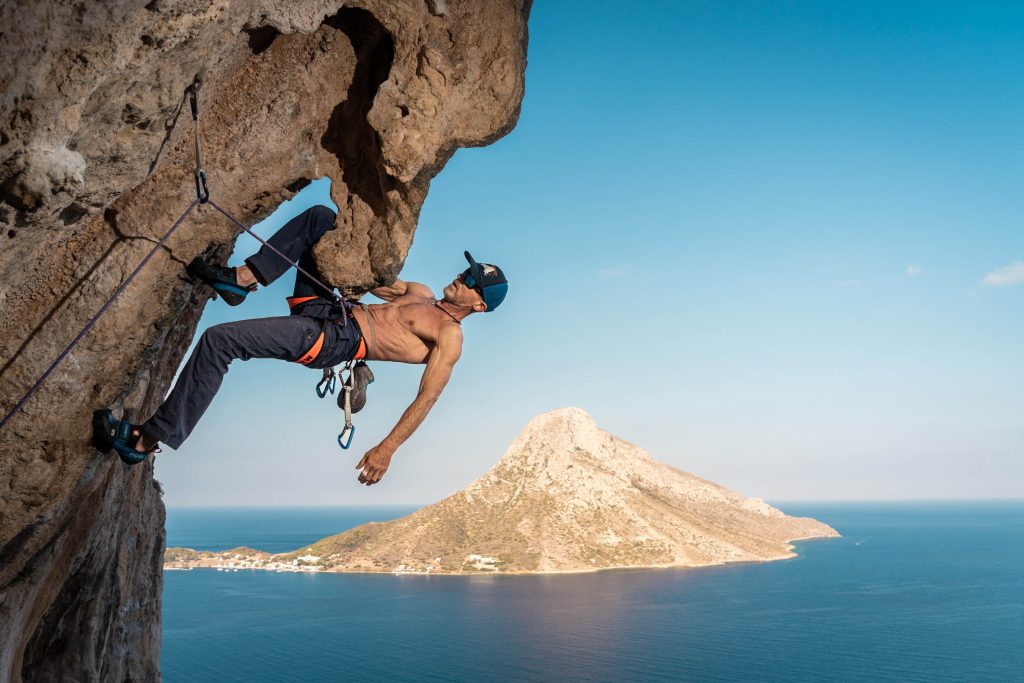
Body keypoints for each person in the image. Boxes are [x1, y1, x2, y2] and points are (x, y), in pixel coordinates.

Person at [91, 204, 508, 486]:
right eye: (466, 271)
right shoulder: (419, 292)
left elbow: (427, 399)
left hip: (333, 339)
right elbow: (365, 274)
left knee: (220, 341)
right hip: (328, 305)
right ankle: (242, 280)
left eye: (473, 282)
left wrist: (387, 449)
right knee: (321, 219)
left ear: (479, 304)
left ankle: (145, 441)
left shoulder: (449, 336)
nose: (463, 277)